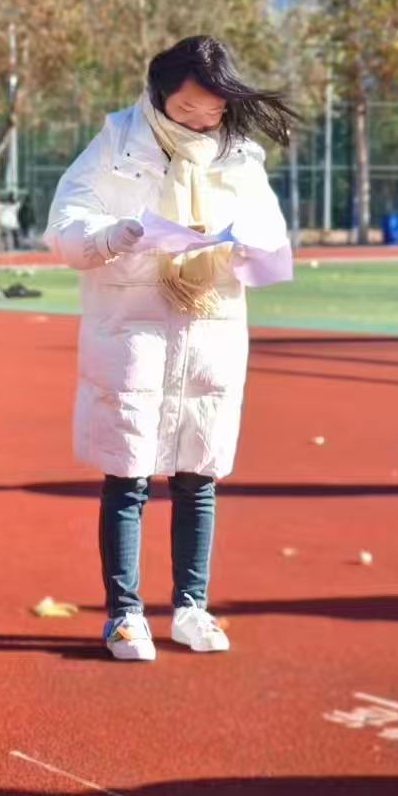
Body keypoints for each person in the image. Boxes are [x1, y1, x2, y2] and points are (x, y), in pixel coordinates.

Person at [46, 34, 295, 662]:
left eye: (213, 110)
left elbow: (271, 232)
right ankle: (124, 614)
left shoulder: (241, 155)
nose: (202, 121)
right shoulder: (117, 143)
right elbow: (66, 226)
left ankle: (191, 606)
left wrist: (244, 242)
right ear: (159, 96)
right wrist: (116, 234)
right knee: (127, 476)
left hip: (209, 334)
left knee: (197, 477)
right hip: (133, 333)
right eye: (187, 109)